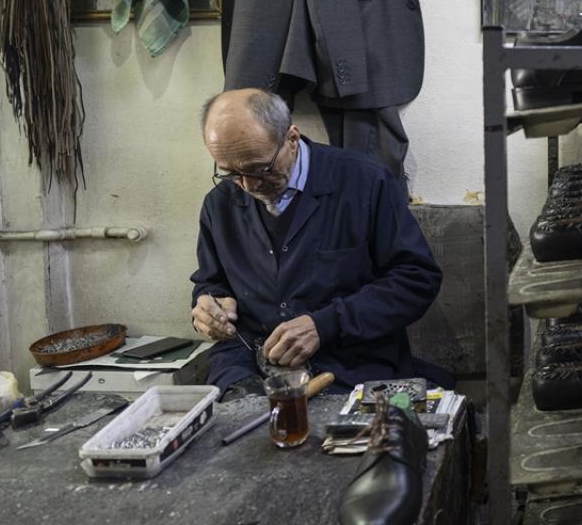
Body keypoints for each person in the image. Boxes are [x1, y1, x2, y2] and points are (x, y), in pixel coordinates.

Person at [189, 89, 442, 397]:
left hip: (349, 367)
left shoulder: (364, 182)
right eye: (231, 173)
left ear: (291, 139)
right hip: (249, 367)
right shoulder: (219, 204)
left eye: (260, 169)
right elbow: (210, 283)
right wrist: (210, 304)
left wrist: (326, 324)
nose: (249, 185)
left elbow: (417, 280)